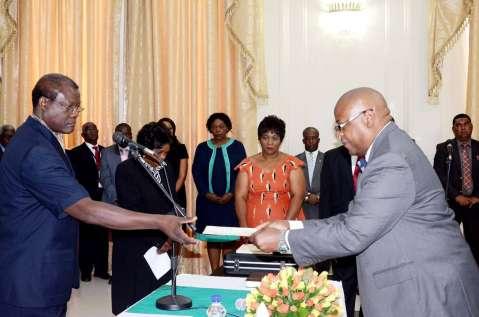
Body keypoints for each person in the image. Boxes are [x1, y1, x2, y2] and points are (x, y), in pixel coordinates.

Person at [251, 87, 479, 317]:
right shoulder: (388, 149)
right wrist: (292, 226)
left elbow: (353, 233)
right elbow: (355, 217)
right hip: (417, 285)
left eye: (341, 126)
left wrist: (285, 240)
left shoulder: (391, 159)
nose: (340, 135)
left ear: (368, 117)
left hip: (427, 292)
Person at [0, 73, 196, 317]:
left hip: (39, 275)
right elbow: (84, 208)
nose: (75, 114)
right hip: (29, 281)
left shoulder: (41, 139)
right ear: (43, 103)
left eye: (77, 107)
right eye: (68, 107)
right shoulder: (35, 149)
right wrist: (159, 221)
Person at [112, 122, 175, 315]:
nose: (163, 158)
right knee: (136, 302)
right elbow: (133, 211)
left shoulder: (166, 169)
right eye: (159, 153)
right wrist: (160, 237)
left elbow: (172, 203)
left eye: (166, 153)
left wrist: (170, 236)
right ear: (144, 150)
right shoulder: (126, 170)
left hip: (162, 244)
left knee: (160, 300)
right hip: (135, 244)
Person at [192, 112, 246, 271]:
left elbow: (242, 172)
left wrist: (231, 193)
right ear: (209, 129)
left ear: (228, 128)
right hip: (208, 202)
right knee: (212, 238)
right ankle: (215, 271)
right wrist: (207, 194)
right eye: (214, 127)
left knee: (228, 237)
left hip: (231, 201)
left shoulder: (237, 146)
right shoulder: (202, 148)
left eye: (221, 126)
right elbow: (197, 172)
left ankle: (226, 270)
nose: (218, 130)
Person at [235, 115, 305, 228]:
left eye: (275, 138)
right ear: (259, 139)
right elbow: (240, 197)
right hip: (253, 226)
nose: (269, 142)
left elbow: (298, 196)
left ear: (281, 140)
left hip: (288, 225)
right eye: (265, 137)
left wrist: (285, 226)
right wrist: (244, 226)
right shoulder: (247, 165)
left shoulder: (292, 164)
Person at [318, 145, 359, 317]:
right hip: (343, 232)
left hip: (376, 237)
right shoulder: (332, 157)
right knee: (345, 284)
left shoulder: (382, 155)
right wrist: (327, 237)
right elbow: (326, 200)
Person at [433, 113, 479, 265]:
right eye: (458, 125)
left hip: (475, 203)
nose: (462, 128)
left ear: (471, 126)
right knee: (448, 241)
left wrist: (477, 197)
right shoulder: (444, 148)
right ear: (453, 129)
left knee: (475, 243)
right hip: (452, 203)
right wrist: (456, 196)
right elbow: (439, 175)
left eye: (465, 124)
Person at [68, 122, 109, 281]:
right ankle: (85, 270)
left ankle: (101, 269)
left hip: (104, 197)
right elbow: (75, 178)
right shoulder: (75, 153)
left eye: (94, 129)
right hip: (86, 198)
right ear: (83, 134)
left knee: (102, 235)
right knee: (86, 236)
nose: (93, 132)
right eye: (88, 130)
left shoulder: (106, 151)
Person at [158, 117, 189, 208]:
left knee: (177, 221)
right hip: (157, 192)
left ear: (173, 130)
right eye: (164, 128)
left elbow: (182, 176)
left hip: (176, 192)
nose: (168, 131)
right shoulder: (154, 148)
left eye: (170, 128)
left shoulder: (181, 148)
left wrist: (171, 194)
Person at [100, 123, 133, 205]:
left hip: (134, 201)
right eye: (121, 134)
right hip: (112, 200)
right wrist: (115, 198)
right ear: (115, 137)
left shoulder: (138, 152)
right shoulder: (106, 152)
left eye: (127, 134)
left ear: (131, 136)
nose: (124, 137)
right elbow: (105, 178)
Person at [296, 127, 323, 219]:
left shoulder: (327, 159)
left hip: (321, 209)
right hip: (301, 208)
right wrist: (307, 197)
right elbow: (293, 185)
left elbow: (331, 184)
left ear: (318, 140)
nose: (311, 141)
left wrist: (318, 197)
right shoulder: (295, 160)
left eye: (314, 138)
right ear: (303, 141)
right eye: (307, 138)